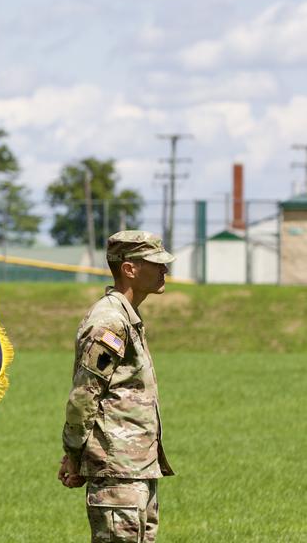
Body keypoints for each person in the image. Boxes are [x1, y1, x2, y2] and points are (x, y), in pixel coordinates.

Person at [58, 231, 176, 543]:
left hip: (136, 468)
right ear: (129, 269)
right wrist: (73, 452)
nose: (165, 269)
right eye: (156, 263)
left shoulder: (126, 316)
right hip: (118, 470)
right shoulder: (109, 321)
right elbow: (84, 396)